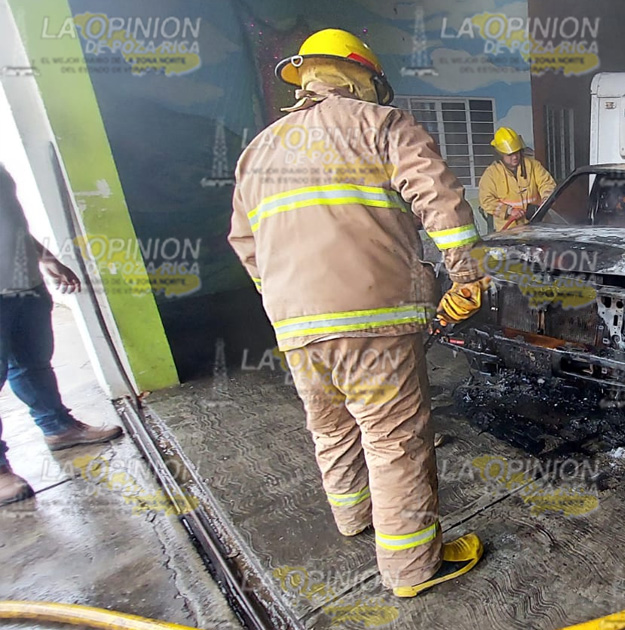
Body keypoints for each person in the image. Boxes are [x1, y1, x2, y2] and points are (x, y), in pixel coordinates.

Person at [227, 29, 487, 597]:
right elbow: (441, 203)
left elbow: (246, 245)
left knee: (331, 425)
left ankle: (353, 517)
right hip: (373, 316)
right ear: (362, 76)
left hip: (295, 323)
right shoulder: (382, 126)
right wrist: (467, 273)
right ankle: (414, 569)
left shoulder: (259, 150)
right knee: (394, 439)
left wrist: (287, 302)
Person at [0, 164, 123, 505]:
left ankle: (57, 427)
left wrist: (46, 257)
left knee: (32, 363)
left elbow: (10, 220)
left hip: (25, 284)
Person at [477, 127, 556, 230]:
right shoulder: (491, 174)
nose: (515, 157)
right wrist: (509, 211)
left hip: (537, 226)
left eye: (517, 152)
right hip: (509, 231)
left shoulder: (533, 166)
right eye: (510, 154)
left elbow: (547, 184)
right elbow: (486, 200)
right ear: (500, 155)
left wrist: (546, 200)